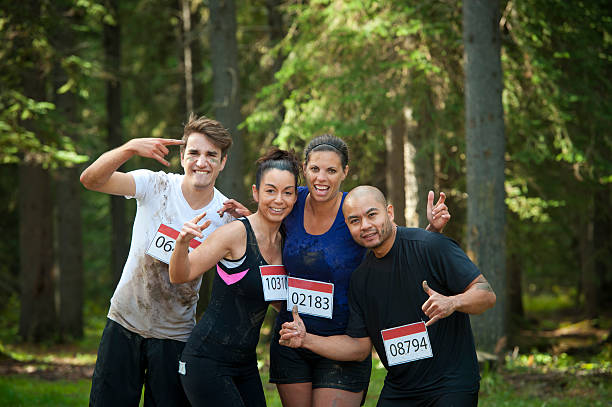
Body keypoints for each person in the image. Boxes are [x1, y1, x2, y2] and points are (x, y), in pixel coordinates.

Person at [265, 135, 451, 407]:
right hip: (293, 338)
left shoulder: (354, 211)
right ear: (304, 169)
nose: (321, 178)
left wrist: (432, 231)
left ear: (345, 172)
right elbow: (264, 225)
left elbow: (394, 249)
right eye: (315, 169)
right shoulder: (292, 202)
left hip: (345, 342)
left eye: (331, 170)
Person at [80, 114, 248, 406]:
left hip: (176, 336)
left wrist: (250, 222)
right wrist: (130, 148)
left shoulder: (226, 216)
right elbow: (91, 180)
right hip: (124, 323)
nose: (201, 162)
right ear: (182, 156)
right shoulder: (154, 185)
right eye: (194, 153)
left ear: (222, 163)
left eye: (212, 155)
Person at [279, 185, 497, 407]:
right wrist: (306, 339)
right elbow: (359, 347)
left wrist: (453, 302)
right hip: (400, 389)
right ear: (348, 227)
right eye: (355, 221)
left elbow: (486, 294)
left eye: (372, 215)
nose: (365, 225)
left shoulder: (431, 245)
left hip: (450, 385)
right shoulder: (361, 279)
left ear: (389, 213)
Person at [168, 148, 301, 406]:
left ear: (296, 197)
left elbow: (273, 299)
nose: (279, 200)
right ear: (255, 192)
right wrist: (182, 243)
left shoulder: (286, 244)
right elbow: (179, 275)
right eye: (270, 190)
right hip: (206, 361)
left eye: (288, 192)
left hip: (245, 365)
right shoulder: (236, 234)